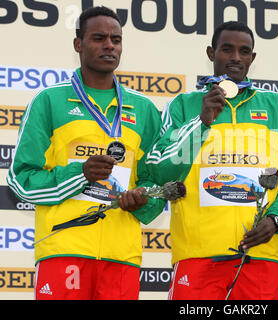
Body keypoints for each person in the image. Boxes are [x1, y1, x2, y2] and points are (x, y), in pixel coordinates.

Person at [7, 6, 166, 300]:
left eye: (116, 40)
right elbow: (21, 180)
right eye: (99, 38)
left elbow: (156, 181)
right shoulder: (49, 101)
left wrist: (140, 201)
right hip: (64, 249)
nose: (109, 45)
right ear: (78, 45)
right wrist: (79, 173)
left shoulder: (143, 109)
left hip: (122, 256)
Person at [144, 21, 278, 300]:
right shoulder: (183, 105)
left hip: (262, 257)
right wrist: (201, 121)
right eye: (227, 49)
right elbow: (159, 169)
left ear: (252, 58)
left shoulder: (275, 106)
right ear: (211, 53)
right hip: (198, 257)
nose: (235, 58)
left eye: (244, 51)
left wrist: (276, 219)